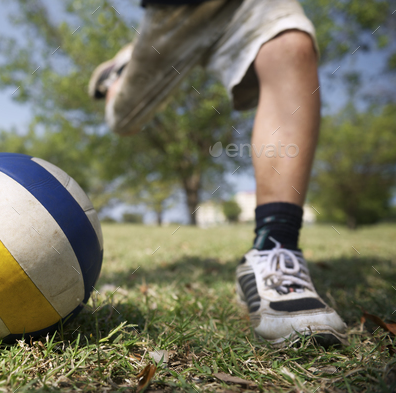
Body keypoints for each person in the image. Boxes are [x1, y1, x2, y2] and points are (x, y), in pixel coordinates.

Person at [88, 0, 347, 347]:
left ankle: (274, 247)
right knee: (124, 120)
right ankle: (124, 67)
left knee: (291, 44)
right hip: (175, 9)